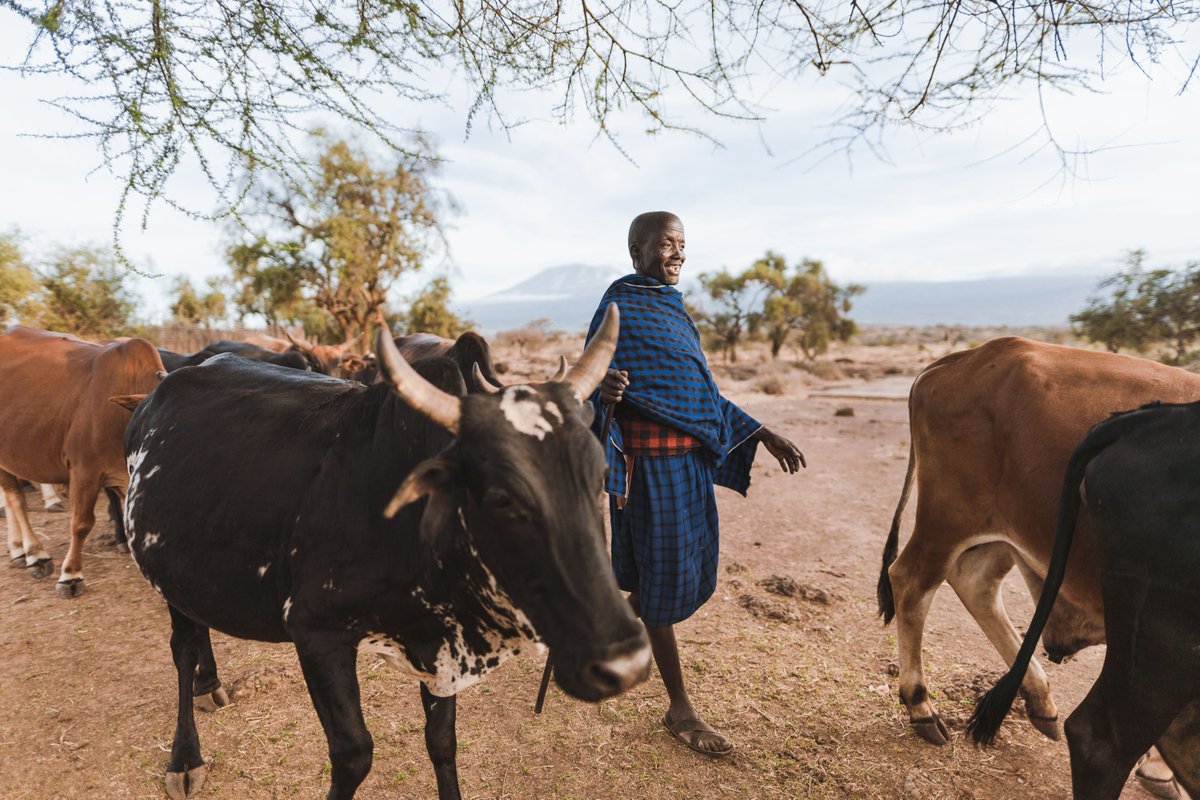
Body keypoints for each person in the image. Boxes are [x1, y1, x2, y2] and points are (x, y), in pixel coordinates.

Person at [583, 210, 805, 757]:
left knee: (680, 575)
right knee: (660, 590)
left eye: (682, 243)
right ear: (636, 249)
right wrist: (604, 389)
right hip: (647, 473)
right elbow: (585, 386)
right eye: (666, 244)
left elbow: (701, 395)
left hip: (688, 471)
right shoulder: (618, 309)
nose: (678, 253)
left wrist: (762, 431)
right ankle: (679, 708)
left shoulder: (675, 310)